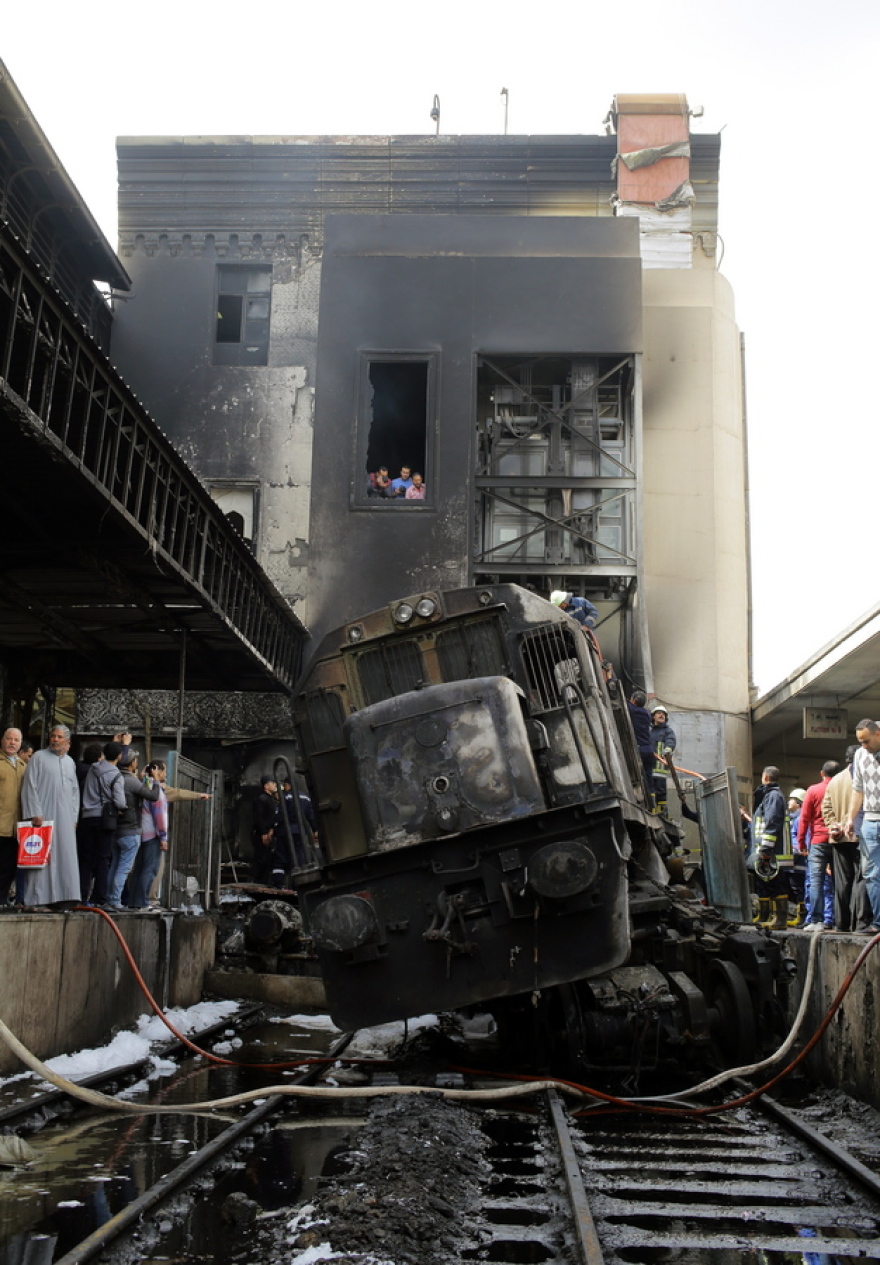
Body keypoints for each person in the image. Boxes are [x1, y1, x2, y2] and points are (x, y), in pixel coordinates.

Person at [20, 724, 81, 908]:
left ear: (67, 741)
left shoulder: (70, 762)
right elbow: (30, 786)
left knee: (64, 856)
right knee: (41, 858)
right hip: (43, 817)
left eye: (59, 737)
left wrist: (74, 817)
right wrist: (34, 813)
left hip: (65, 819)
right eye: (53, 736)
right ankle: (37, 899)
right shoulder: (38, 757)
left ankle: (64, 898)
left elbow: (74, 792)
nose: (55, 739)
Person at [822, 747, 873, 934]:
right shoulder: (864, 776)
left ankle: (841, 924)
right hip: (860, 835)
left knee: (842, 883)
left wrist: (833, 825)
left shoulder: (835, 780)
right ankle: (860, 923)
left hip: (839, 837)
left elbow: (826, 807)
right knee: (862, 879)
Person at [105, 748, 160, 910]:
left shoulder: (117, 777)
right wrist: (155, 780)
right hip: (131, 831)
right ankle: (115, 900)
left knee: (114, 866)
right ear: (132, 763)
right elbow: (153, 796)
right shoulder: (131, 781)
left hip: (116, 830)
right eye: (136, 760)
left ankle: (109, 898)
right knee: (124, 868)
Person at [77, 740, 127, 905]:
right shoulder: (116, 775)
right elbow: (120, 802)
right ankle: (100, 898)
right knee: (103, 859)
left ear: (104, 754)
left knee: (85, 859)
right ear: (119, 756)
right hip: (104, 821)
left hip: (86, 817)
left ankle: (82, 897)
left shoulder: (93, 768)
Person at [845, 719, 880, 933]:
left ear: (878, 734)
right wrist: (850, 818)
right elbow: (858, 789)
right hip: (870, 819)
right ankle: (878, 922)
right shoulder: (859, 755)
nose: (863, 746)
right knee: (871, 873)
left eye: (866, 741)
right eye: (860, 742)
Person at [798, 761, 840, 931]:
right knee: (840, 882)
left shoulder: (813, 790)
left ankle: (817, 920)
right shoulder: (843, 788)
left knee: (816, 881)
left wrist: (801, 842)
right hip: (840, 841)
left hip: (818, 842)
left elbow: (805, 818)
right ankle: (841, 920)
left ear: (822, 773)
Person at [750, 765, 791, 929]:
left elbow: (772, 822)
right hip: (771, 849)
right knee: (769, 883)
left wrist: (766, 849)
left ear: (765, 777)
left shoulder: (773, 796)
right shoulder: (771, 796)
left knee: (777, 883)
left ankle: (780, 920)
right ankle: (772, 916)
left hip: (774, 851)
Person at [127, 761, 169, 910]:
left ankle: (133, 901)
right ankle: (142, 902)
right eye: (163, 770)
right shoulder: (155, 790)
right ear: (157, 770)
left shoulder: (143, 785)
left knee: (139, 868)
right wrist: (163, 837)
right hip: (152, 834)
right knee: (150, 869)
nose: (165, 774)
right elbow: (159, 816)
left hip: (141, 832)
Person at [0, 728, 26, 905]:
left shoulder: (24, 766)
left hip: (16, 828)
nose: (12, 742)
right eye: (9, 739)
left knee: (8, 866)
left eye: (16, 740)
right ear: (2, 741)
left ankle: (2, 899)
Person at [281, 777, 318, 868]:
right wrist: (315, 830)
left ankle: (291, 872)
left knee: (286, 852)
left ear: (288, 785)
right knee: (299, 850)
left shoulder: (286, 797)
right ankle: (301, 868)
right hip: (301, 829)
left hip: (288, 829)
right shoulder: (306, 797)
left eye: (284, 785)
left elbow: (281, 814)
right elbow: (311, 816)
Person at [627, 690, 655, 807]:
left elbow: (622, 702)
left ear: (634, 700)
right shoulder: (647, 714)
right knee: (649, 778)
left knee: (636, 776)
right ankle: (653, 805)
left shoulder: (633, 711)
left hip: (639, 750)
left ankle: (638, 802)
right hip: (649, 750)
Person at [252, 775, 280, 886]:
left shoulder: (271, 799)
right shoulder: (261, 799)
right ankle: (256, 881)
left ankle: (264, 881)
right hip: (261, 833)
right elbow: (258, 817)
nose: (274, 785)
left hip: (270, 832)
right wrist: (263, 832)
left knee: (268, 858)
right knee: (261, 858)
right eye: (272, 783)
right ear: (266, 786)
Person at [650, 705, 677, 817]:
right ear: (653, 717)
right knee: (650, 789)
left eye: (663, 714)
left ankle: (662, 813)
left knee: (660, 790)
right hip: (649, 767)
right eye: (659, 713)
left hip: (660, 767)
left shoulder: (668, 731)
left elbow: (671, 742)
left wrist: (667, 751)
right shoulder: (649, 732)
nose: (661, 715)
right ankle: (652, 810)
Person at [786, 788, 807, 926]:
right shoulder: (793, 818)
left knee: (799, 888)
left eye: (791, 799)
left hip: (800, 860)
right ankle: (801, 916)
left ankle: (803, 917)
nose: (789, 802)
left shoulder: (799, 819)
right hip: (796, 859)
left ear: (799, 803)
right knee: (797, 887)